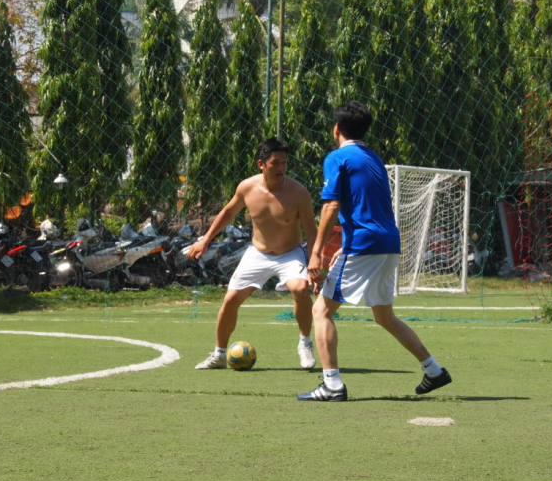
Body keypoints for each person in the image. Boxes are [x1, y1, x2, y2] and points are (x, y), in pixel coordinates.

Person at [298, 101, 451, 401]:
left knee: (320, 311)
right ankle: (434, 370)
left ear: (336, 129)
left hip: (364, 243)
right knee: (384, 316)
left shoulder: (338, 157)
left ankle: (332, 386)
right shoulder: (373, 158)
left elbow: (331, 205)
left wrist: (316, 253)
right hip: (388, 243)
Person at [190, 138, 319, 370]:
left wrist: (315, 261)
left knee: (300, 289)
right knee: (230, 300)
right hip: (257, 253)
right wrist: (205, 240)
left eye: (284, 163)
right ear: (261, 164)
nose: (281, 168)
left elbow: (311, 231)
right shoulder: (247, 187)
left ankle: (304, 344)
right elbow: (227, 213)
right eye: (275, 163)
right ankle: (219, 354)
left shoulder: (299, 192)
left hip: (290, 254)